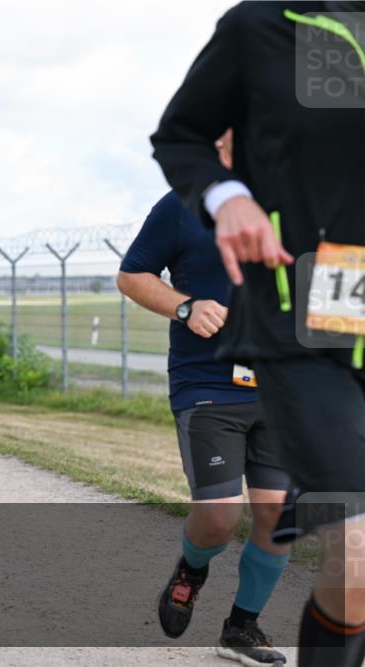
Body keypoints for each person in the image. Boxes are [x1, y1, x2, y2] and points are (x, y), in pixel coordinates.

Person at [151, 4, 365, 665]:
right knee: (353, 555)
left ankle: (244, 622)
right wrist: (228, 196)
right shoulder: (265, 25)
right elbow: (178, 135)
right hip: (305, 328)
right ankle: (202, 576)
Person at [118, 132, 289, 666]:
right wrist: (186, 306)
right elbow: (132, 274)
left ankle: (242, 628)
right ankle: (192, 568)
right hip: (209, 385)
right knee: (218, 517)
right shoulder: (181, 203)